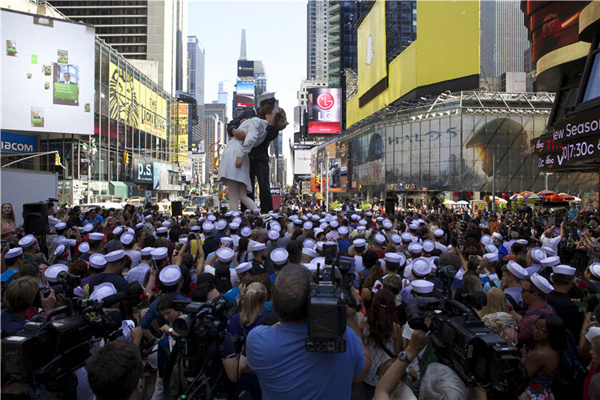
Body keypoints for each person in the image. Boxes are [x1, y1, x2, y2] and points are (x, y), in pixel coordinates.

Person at [244, 264, 371, 399]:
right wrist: (349, 318)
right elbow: (362, 372)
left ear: (273, 304)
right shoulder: (345, 337)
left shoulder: (257, 340)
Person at [226, 93, 283, 212]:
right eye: (267, 108)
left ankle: (267, 211)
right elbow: (231, 125)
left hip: (261, 157)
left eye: (271, 108)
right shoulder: (249, 113)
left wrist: (273, 120)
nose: (269, 110)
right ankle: (247, 211)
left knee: (264, 185)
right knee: (246, 186)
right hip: (245, 157)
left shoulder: (272, 117)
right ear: (261, 105)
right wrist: (235, 131)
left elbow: (271, 136)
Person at [522, 315, 566, 400]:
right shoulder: (552, 347)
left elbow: (523, 374)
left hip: (532, 394)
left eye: (541, 330)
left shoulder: (541, 354)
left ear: (551, 334)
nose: (536, 331)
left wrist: (523, 355)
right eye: (535, 326)